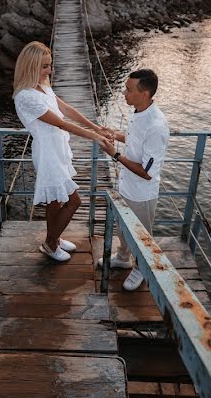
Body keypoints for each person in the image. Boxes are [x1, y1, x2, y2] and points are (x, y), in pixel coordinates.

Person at [13, 41, 107, 262]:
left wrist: (96, 127)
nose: (49, 70)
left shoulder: (43, 85)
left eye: (50, 65)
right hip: (48, 153)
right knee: (73, 201)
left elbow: (66, 110)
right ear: (31, 66)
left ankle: (53, 238)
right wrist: (94, 137)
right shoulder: (25, 96)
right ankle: (50, 243)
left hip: (58, 149)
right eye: (44, 66)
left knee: (56, 202)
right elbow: (61, 123)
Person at [97, 69, 169, 290]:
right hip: (126, 186)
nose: (123, 92)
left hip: (142, 193)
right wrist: (115, 135)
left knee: (141, 235)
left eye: (128, 89)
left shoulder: (156, 126)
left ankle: (141, 267)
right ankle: (123, 257)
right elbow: (134, 138)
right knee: (121, 227)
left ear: (145, 93)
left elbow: (147, 172)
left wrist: (114, 154)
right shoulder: (138, 111)